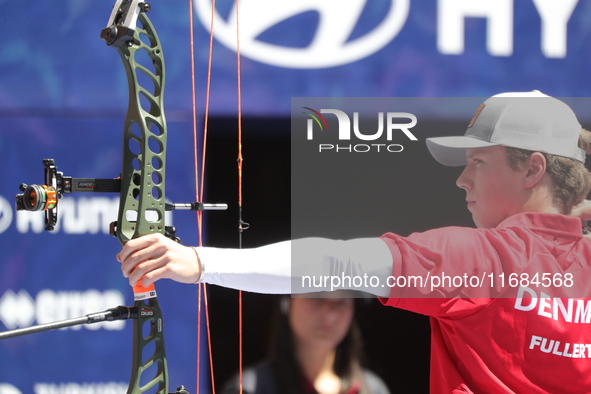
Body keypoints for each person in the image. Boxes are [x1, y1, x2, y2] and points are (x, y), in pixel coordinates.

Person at [118, 91, 591, 393]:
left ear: (532, 169)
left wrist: (199, 262)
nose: (463, 180)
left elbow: (337, 263)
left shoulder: (481, 260)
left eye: (479, 163)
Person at [220, 293, 390, 394]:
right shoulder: (249, 388)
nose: (329, 314)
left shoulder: (372, 389)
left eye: (342, 301)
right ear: (287, 302)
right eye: (316, 296)